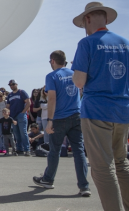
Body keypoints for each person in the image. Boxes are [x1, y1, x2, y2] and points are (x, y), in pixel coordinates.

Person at [71, 2, 129, 211]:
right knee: (121, 164)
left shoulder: (87, 43)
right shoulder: (127, 43)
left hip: (97, 109)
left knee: (102, 168)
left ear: (87, 20)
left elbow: (78, 81)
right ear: (105, 18)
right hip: (122, 111)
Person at [33, 50, 90, 196]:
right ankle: (84, 186)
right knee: (79, 151)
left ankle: (48, 179)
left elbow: (52, 99)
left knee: (55, 150)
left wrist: (50, 121)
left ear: (52, 61)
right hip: (76, 115)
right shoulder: (74, 73)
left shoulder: (52, 76)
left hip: (59, 118)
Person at [6, 79, 31, 155]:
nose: (12, 86)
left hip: (20, 115)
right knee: (16, 133)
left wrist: (23, 112)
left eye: (13, 84)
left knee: (23, 132)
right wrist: (7, 113)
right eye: (10, 85)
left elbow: (28, 102)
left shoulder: (21, 92)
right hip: (13, 116)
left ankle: (27, 149)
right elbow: (8, 106)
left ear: (16, 84)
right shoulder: (9, 95)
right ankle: (20, 149)